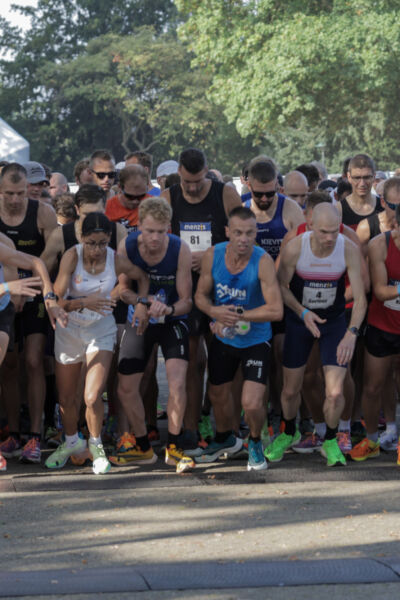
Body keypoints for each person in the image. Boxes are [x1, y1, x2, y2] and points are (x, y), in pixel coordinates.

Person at [45, 212, 148, 474]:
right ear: (81, 239)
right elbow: (56, 301)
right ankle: (70, 442)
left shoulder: (115, 259)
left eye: (102, 243)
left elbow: (142, 276)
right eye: (91, 243)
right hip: (69, 330)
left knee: (91, 396)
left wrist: (141, 302)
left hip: (100, 330)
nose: (97, 250)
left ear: (109, 240)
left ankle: (96, 445)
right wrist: (83, 302)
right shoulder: (72, 256)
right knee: (67, 399)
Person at [265, 203, 367, 467]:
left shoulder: (348, 248)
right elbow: (281, 287)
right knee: (290, 390)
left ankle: (331, 440)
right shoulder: (296, 248)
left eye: (335, 231)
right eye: (323, 232)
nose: (330, 238)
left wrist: (351, 333)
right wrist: (301, 313)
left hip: (333, 322)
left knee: (334, 393)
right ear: (310, 227)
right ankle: (289, 432)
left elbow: (361, 298)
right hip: (300, 321)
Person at [162, 148, 241, 451]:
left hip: (222, 288)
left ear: (208, 171)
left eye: (198, 181)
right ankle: (192, 428)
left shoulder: (226, 194)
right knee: (192, 362)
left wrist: (210, 256)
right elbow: (160, 243)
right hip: (187, 291)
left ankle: (229, 429)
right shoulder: (169, 197)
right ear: (178, 174)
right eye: (186, 182)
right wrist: (183, 259)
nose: (192, 188)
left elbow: (244, 238)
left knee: (226, 360)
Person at [194, 206, 283, 470]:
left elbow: (276, 310)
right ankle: (225, 439)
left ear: (256, 233)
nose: (244, 239)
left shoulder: (263, 261)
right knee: (217, 393)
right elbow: (200, 295)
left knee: (252, 403)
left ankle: (254, 440)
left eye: (249, 233)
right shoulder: (214, 255)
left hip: (256, 339)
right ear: (227, 232)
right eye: (238, 233)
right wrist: (213, 312)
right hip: (224, 338)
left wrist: (238, 314)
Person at [112, 197, 194, 473]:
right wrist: (140, 302)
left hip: (172, 320)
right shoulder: (128, 246)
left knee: (178, 383)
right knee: (126, 387)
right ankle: (143, 446)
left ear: (168, 228)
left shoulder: (180, 249)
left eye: (161, 231)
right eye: (149, 231)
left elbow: (187, 301)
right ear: (139, 228)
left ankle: (174, 445)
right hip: (140, 318)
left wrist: (168, 308)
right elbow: (122, 289)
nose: (156, 238)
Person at [0, 163, 61, 463]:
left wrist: (40, 290)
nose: (15, 199)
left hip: (35, 291)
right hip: (5, 295)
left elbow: (49, 253)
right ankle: (13, 432)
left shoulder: (42, 212)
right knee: (8, 364)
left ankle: (34, 436)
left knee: (35, 360)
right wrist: (12, 289)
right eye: (9, 193)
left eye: (20, 193)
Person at [0, 234, 66, 471]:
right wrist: (7, 286)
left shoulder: (2, 245)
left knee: (25, 360)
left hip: (2, 310)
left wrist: (50, 297)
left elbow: (36, 263)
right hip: (5, 294)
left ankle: (30, 436)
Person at [349, 204, 400, 463]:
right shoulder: (380, 244)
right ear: (395, 226)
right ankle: (371, 439)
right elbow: (380, 291)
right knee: (372, 386)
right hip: (383, 325)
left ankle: (396, 436)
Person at [42, 184, 127, 274]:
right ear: (77, 209)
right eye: (87, 215)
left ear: (105, 208)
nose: (93, 219)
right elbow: (42, 272)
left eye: (98, 213)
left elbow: (128, 272)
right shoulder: (60, 235)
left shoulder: (119, 231)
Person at [244, 161, 304, 261]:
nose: (264, 199)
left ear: (276, 185)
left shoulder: (291, 209)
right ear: (249, 186)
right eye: (258, 194)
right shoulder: (243, 211)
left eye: (270, 193)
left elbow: (304, 248)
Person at [337, 154, 382, 230]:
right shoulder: (339, 209)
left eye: (367, 177)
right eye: (357, 178)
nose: (362, 183)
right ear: (349, 177)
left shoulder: (383, 206)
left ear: (374, 177)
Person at [105, 164, 151, 233]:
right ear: (120, 187)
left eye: (141, 196)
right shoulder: (107, 209)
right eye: (130, 196)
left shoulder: (154, 207)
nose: (135, 201)